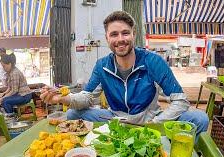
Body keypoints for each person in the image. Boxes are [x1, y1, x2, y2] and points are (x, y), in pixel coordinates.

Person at [40, 11, 209, 138]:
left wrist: (156, 123)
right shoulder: (102, 66)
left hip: (149, 120)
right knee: (72, 114)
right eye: (114, 34)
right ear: (107, 39)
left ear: (133, 35)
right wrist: (62, 98)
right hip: (116, 120)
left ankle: (174, 154)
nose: (120, 39)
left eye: (125, 33)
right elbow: (87, 97)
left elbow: (180, 100)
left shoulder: (153, 61)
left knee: (199, 118)